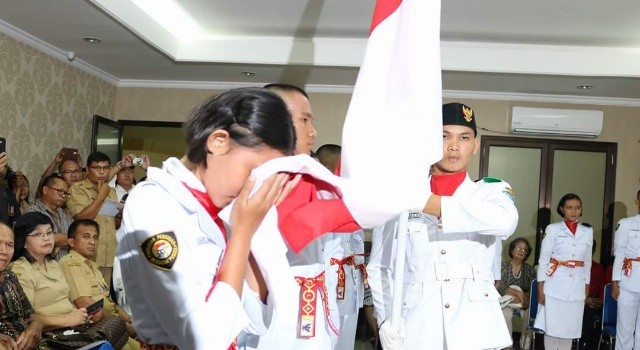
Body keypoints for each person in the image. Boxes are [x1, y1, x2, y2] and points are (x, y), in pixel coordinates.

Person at [117, 87, 300, 349]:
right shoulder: (153, 203)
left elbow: (254, 322)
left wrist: (252, 232)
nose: (254, 186)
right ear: (218, 142)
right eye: (253, 171)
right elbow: (204, 340)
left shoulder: (221, 210)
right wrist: (242, 234)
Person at [368, 102, 518, 350]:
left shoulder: (490, 190)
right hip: (417, 323)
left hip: (476, 327)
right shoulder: (400, 196)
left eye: (464, 137)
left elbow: (505, 222)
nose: (454, 146)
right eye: (443, 135)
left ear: (476, 144)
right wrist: (387, 320)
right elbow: (380, 268)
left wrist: (427, 203)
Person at [59, 219, 140, 349]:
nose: (93, 242)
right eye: (86, 236)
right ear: (71, 242)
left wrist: (128, 319)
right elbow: (86, 305)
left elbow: (108, 301)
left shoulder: (91, 265)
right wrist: (123, 325)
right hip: (95, 327)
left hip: (112, 322)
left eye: (95, 237)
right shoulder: (71, 263)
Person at [9, 212, 90, 331]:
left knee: (115, 325)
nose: (46, 238)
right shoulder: (20, 269)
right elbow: (25, 318)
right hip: (48, 334)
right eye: (37, 234)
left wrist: (80, 315)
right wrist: (67, 320)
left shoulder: (53, 264)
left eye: (49, 232)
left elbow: (64, 301)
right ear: (24, 242)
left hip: (71, 327)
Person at [534, 193, 592, 350]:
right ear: (562, 209)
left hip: (576, 288)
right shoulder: (552, 230)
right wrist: (541, 289)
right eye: (569, 208)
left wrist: (586, 286)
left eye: (577, 208)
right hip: (555, 286)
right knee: (552, 328)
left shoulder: (587, 231)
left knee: (569, 329)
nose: (574, 211)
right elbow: (543, 261)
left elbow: (587, 263)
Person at [67, 152, 125, 288]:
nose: (102, 172)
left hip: (108, 253)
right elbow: (81, 219)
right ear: (87, 169)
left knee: (104, 296)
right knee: (87, 296)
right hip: (87, 254)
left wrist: (120, 215)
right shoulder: (77, 189)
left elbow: (113, 224)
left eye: (105, 168)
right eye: (97, 168)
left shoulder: (111, 191)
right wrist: (100, 196)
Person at [0, 222, 42, 350]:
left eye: (9, 245)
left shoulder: (10, 277)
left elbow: (29, 315)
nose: (4, 251)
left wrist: (37, 325)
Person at [611, 189, 640, 350]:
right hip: (628, 283)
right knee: (625, 331)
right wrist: (615, 282)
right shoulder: (626, 224)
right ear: (637, 201)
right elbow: (619, 253)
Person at [498, 238, 536, 349]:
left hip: (522, 302)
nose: (522, 251)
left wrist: (523, 297)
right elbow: (500, 286)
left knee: (528, 315)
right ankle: (507, 345)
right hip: (505, 301)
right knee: (506, 314)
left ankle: (525, 345)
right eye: (519, 248)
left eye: (525, 249)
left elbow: (532, 289)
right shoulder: (503, 267)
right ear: (512, 250)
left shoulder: (530, 270)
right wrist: (519, 294)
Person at [24, 175, 73, 260]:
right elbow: (40, 240)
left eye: (66, 193)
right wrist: (67, 241)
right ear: (45, 190)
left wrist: (60, 243)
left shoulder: (63, 214)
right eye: (60, 191)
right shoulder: (33, 211)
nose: (64, 196)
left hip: (63, 268)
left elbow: (75, 240)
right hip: (41, 268)